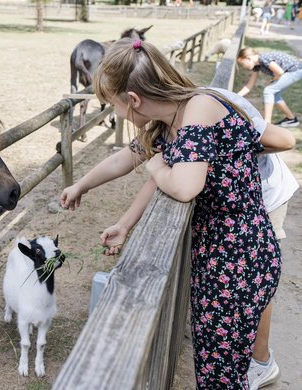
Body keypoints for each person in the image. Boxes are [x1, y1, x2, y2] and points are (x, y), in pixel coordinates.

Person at [58, 38, 295, 388]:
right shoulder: (170, 121)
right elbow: (125, 158)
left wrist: (156, 166)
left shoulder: (197, 109)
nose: (118, 114)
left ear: (134, 100)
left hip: (239, 261)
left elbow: (185, 186)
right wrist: (82, 185)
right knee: (218, 369)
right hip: (222, 256)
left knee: (221, 376)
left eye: (115, 106)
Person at [236, 47, 302, 127]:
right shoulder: (257, 66)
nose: (243, 66)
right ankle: (291, 119)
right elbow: (250, 85)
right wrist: (236, 96)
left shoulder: (263, 58)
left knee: (268, 91)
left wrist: (273, 80)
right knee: (274, 94)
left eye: (242, 63)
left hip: (295, 70)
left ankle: (267, 123)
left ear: (248, 58)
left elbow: (280, 72)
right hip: (290, 71)